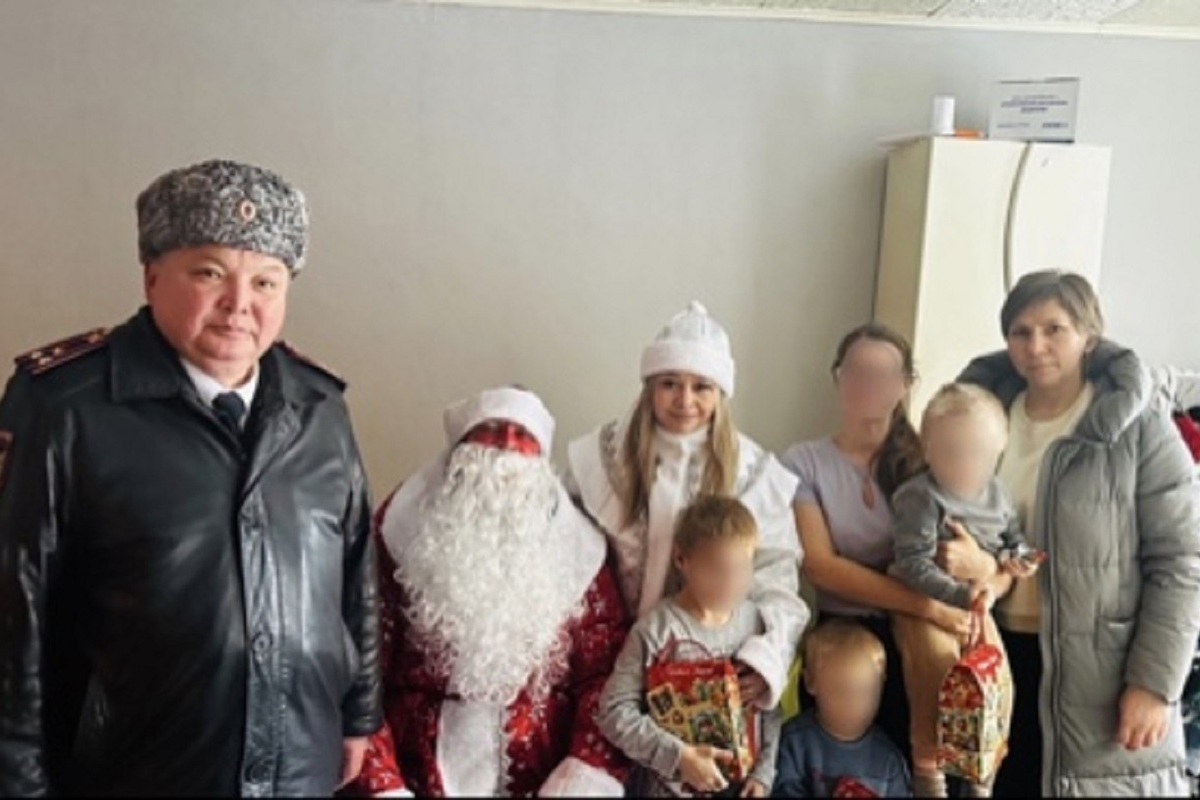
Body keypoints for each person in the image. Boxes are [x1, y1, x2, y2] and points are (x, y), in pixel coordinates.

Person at [0, 159, 380, 795]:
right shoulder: (64, 405)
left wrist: (358, 713)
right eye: (210, 273)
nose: (239, 305)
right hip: (131, 772)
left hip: (298, 766)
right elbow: (14, 608)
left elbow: (354, 568)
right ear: (152, 275)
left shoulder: (319, 407)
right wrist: (16, 777)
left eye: (266, 282)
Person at [948, 269, 1200, 796]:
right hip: (994, 654)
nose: (1035, 346)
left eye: (1054, 329)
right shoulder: (979, 414)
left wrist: (1155, 683)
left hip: (1101, 674)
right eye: (1020, 332)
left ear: (1089, 335)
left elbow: (1183, 561)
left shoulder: (1141, 425)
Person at [347, 386, 630, 797]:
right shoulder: (398, 530)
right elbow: (358, 665)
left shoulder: (580, 550)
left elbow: (604, 677)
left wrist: (582, 775)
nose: (506, 445)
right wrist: (383, 783)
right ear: (458, 448)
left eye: (523, 435)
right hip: (415, 769)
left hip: (541, 777)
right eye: (492, 429)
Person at [568, 301, 807, 721]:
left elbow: (777, 580)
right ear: (650, 387)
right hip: (615, 659)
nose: (685, 400)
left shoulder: (753, 474)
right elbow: (572, 556)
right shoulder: (605, 459)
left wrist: (765, 657)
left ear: (720, 394)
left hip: (712, 662)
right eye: (669, 384)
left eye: (701, 387)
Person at [779, 325, 999, 759]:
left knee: (923, 758)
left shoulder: (932, 461)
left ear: (905, 384)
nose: (868, 384)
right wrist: (926, 606)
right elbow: (821, 566)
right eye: (857, 372)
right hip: (844, 638)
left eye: (883, 374)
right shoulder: (802, 462)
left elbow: (982, 545)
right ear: (837, 378)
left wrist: (984, 568)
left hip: (925, 634)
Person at [888, 383, 1036, 797]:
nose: (965, 463)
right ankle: (929, 774)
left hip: (976, 604)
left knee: (998, 682)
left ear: (998, 452)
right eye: (951, 451)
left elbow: (1013, 540)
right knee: (936, 675)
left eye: (978, 453)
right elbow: (912, 564)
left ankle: (981, 774)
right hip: (922, 603)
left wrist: (1015, 561)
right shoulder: (920, 496)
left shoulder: (998, 494)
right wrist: (963, 596)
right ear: (928, 450)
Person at [598, 495, 782, 797]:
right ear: (681, 560)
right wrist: (679, 757)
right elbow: (613, 712)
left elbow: (770, 706)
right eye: (716, 569)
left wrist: (763, 774)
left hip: (741, 787)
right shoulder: (656, 631)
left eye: (741, 568)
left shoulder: (756, 622)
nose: (730, 583)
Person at [773, 618, 912, 798]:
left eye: (865, 692)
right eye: (840, 691)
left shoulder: (888, 760)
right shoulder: (794, 742)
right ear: (810, 682)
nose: (854, 704)